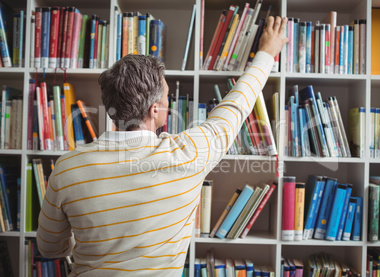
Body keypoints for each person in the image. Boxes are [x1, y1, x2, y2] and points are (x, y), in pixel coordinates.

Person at [37, 16, 288, 276]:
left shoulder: (67, 168)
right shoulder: (188, 154)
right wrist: (267, 52)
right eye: (167, 97)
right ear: (154, 109)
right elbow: (237, 105)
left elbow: (49, 248)